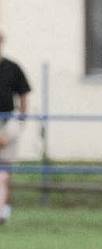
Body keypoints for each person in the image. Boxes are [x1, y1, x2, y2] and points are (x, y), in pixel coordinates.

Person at [0, 31, 31, 225]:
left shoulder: (12, 68)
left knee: (5, 171)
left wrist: (20, 122)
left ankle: (4, 209)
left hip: (8, 121)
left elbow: (24, 95)